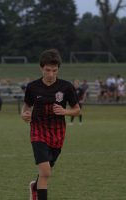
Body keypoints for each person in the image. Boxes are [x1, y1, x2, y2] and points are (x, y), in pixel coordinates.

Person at [21, 49, 80, 200]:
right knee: (46, 172)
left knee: (45, 171)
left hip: (58, 133)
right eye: (47, 70)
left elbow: (77, 110)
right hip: (38, 131)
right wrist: (24, 114)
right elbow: (26, 106)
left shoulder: (66, 87)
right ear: (41, 68)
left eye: (54, 70)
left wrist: (65, 111)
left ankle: (35, 187)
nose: (51, 74)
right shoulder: (32, 87)